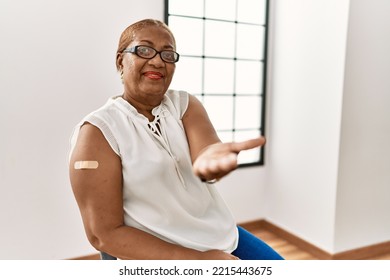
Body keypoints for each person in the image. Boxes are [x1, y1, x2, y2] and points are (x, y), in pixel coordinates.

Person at [69, 18, 283, 260]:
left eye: (168, 54)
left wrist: (211, 162)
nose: (158, 60)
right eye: (145, 50)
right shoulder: (98, 131)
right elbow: (103, 235)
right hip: (153, 253)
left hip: (218, 236)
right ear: (121, 60)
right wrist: (198, 260)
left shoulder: (184, 105)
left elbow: (207, 152)